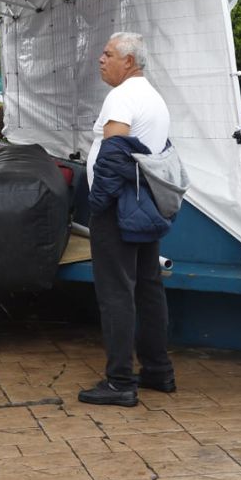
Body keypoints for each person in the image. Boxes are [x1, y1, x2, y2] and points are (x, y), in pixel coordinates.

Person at [79, 32, 189, 407]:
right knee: (148, 288)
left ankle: (120, 382)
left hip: (118, 209)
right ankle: (158, 371)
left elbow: (113, 155)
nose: (100, 59)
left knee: (116, 293)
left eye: (108, 54)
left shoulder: (122, 96)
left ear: (129, 61)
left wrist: (97, 205)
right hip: (146, 207)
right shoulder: (155, 98)